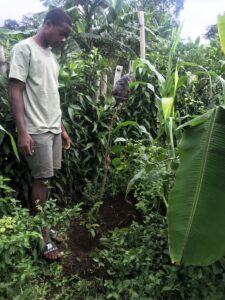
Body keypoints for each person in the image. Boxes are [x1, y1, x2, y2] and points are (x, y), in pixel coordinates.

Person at [9, 8, 72, 261]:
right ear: (47, 25)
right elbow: (15, 91)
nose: (63, 39)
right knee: (41, 181)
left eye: (66, 36)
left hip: (52, 128)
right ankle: (43, 236)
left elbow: (51, 97)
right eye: (61, 33)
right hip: (36, 129)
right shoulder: (23, 49)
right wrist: (22, 132)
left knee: (47, 180)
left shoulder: (50, 57)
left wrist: (62, 129)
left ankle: (44, 224)